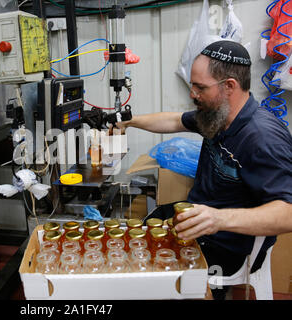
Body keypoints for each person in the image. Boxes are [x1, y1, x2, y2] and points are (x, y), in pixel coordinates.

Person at [113, 40, 292, 299]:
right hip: (202, 221)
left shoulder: (262, 137)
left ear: (229, 86)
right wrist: (129, 122)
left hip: (228, 243)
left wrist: (218, 219)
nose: (192, 94)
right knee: (132, 244)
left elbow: (288, 212)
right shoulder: (216, 115)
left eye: (199, 87)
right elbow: (175, 120)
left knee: (147, 275)